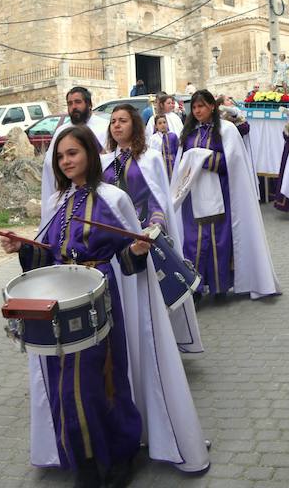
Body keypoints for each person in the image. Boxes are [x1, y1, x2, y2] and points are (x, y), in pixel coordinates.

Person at [0, 126, 210, 487]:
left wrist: (137, 250)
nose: (66, 161)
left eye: (73, 153)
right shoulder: (56, 203)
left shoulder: (113, 199)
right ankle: (83, 460)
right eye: (60, 156)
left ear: (90, 155)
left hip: (100, 304)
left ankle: (120, 454)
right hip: (59, 308)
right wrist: (22, 247)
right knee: (64, 383)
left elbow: (126, 259)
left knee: (99, 385)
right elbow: (49, 254)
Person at [104, 105, 202, 354]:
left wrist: (154, 226)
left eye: (122, 121)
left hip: (144, 237)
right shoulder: (106, 161)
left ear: (134, 125)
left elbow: (158, 199)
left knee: (151, 298)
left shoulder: (149, 159)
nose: (116, 125)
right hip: (114, 241)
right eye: (113, 121)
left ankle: (158, 349)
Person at [171, 90, 279, 302]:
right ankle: (196, 289)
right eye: (194, 107)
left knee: (219, 242)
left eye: (201, 106)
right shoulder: (189, 133)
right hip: (193, 199)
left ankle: (220, 288)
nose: (197, 110)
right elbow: (181, 165)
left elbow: (233, 162)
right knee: (193, 243)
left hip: (221, 195)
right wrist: (191, 161)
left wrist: (202, 158)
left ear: (212, 106)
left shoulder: (227, 130)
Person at [41, 87, 110, 215]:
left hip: (99, 194)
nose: (73, 107)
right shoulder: (61, 131)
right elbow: (49, 165)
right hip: (68, 194)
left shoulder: (105, 127)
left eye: (78, 102)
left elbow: (111, 162)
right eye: (70, 103)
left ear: (89, 104)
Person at [148, 114, 179, 179]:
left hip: (173, 165)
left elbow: (177, 151)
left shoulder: (173, 136)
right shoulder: (153, 139)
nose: (163, 125)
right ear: (156, 126)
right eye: (160, 123)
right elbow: (151, 154)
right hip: (160, 166)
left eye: (164, 122)